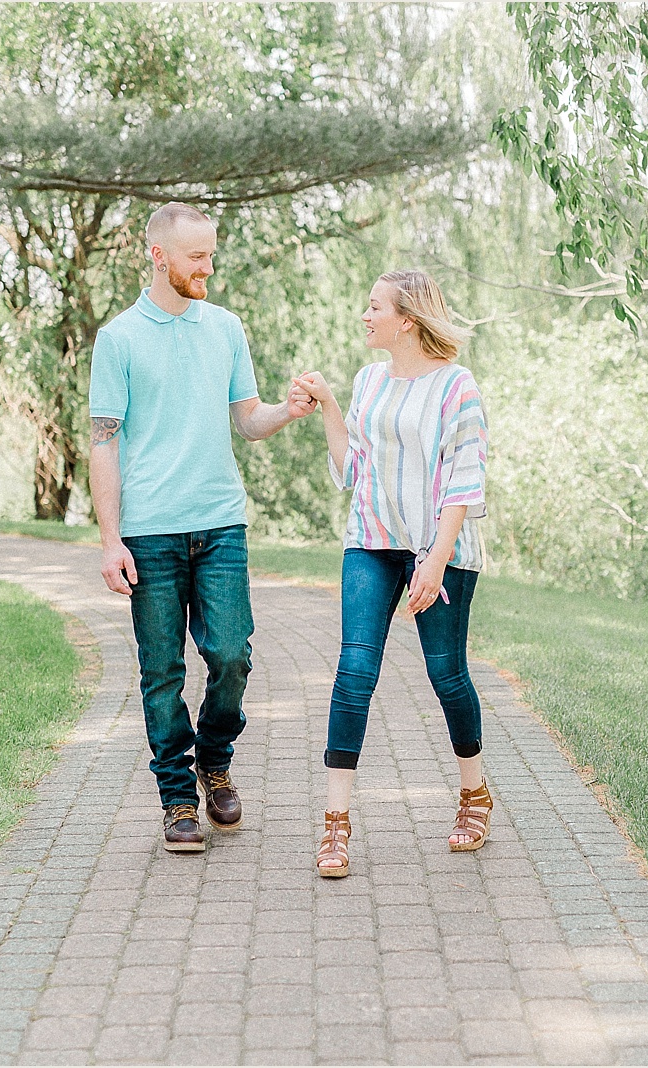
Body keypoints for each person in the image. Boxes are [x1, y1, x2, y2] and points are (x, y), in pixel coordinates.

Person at [88, 201, 317, 853]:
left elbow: (246, 419)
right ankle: (177, 801)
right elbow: (104, 441)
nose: (208, 266)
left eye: (212, 254)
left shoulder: (225, 328)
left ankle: (213, 759)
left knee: (230, 656)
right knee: (161, 671)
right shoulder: (120, 339)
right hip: (150, 533)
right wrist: (110, 541)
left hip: (220, 523)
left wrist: (289, 410)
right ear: (158, 255)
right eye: (197, 256)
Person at [293, 269, 490, 878]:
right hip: (371, 542)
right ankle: (335, 827)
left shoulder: (457, 387)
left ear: (406, 318)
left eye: (373, 306)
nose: (365, 315)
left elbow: (465, 478)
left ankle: (474, 794)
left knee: (446, 674)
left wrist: (434, 562)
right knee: (354, 671)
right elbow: (353, 467)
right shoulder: (368, 381)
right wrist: (328, 404)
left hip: (440, 548)